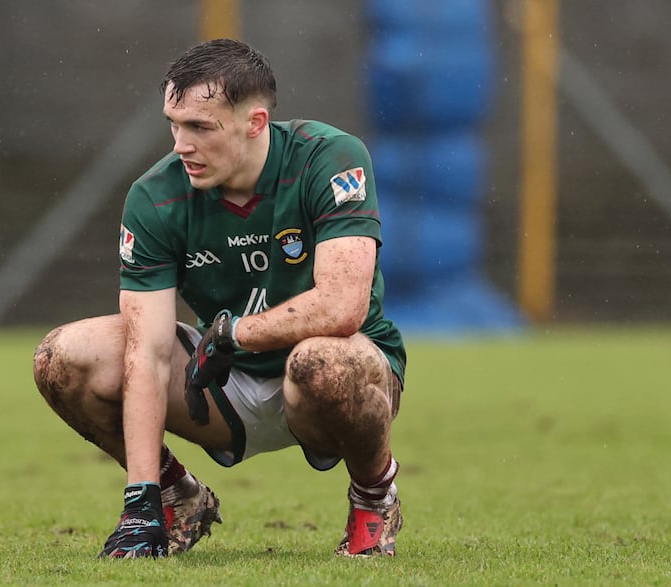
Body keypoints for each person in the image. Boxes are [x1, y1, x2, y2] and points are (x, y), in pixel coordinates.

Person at [32, 38, 406, 559]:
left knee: (323, 362)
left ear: (255, 123)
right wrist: (139, 497)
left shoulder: (330, 157)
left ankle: (373, 495)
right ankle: (174, 497)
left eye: (200, 128)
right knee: (62, 358)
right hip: (222, 385)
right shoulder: (155, 196)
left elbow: (343, 308)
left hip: (334, 370)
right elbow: (148, 351)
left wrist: (234, 333)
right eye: (174, 124)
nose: (181, 144)